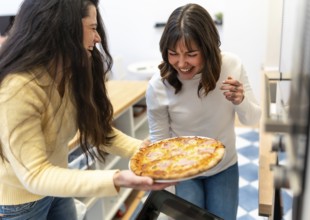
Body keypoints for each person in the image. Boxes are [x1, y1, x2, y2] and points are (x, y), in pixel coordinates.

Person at [0, 0, 174, 219]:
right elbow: (34, 174)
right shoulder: (18, 87)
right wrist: (117, 178)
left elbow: (97, 131)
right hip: (20, 202)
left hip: (57, 183)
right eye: (92, 28)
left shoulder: (70, 71)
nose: (98, 37)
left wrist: (144, 151)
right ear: (64, 28)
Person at [146, 3, 261, 220]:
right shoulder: (159, 85)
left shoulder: (231, 65)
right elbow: (159, 144)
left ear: (207, 48)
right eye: (173, 54)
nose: (181, 63)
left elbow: (253, 118)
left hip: (224, 166)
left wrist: (241, 101)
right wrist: (167, 197)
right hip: (182, 172)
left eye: (191, 54)